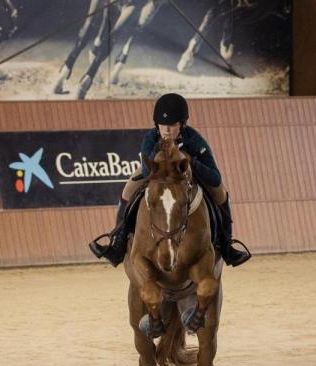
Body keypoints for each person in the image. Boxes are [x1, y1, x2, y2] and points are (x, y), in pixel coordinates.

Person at [89, 93, 252, 267]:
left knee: (221, 191)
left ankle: (227, 246)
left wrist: (191, 161)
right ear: (156, 124)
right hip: (157, 173)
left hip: (186, 173)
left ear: (182, 125)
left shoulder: (194, 139)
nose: (166, 130)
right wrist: (160, 152)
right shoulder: (151, 137)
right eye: (162, 125)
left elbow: (214, 176)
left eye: (172, 125)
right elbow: (146, 170)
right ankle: (117, 244)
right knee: (128, 189)